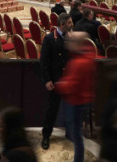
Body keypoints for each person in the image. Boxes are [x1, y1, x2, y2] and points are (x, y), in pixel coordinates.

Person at [54, 32, 97, 162]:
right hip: (76, 100)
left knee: (77, 136)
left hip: (75, 102)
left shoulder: (80, 62)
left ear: (78, 44)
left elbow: (72, 85)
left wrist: (60, 85)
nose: (67, 44)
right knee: (74, 131)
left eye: (70, 42)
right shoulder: (82, 57)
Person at [39, 13, 73, 149]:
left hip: (69, 80)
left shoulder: (72, 37)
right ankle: (46, 136)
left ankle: (70, 133)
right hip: (56, 80)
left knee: (70, 108)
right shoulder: (49, 39)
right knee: (52, 110)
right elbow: (43, 62)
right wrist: (47, 80)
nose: (72, 25)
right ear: (62, 24)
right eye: (70, 23)